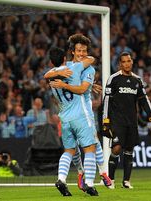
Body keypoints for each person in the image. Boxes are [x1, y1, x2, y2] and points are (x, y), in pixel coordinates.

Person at [48, 33, 112, 189]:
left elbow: (83, 87)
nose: (82, 54)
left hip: (74, 113)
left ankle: (102, 172)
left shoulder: (84, 69)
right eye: (79, 51)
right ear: (72, 52)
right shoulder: (73, 66)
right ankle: (83, 175)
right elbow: (81, 88)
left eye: (84, 51)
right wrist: (72, 86)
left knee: (91, 142)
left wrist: (90, 86)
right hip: (79, 112)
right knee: (85, 146)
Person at [44, 45, 98, 196]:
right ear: (64, 59)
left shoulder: (51, 76)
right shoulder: (73, 69)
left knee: (68, 151)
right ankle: (89, 184)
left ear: (51, 62)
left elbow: (46, 74)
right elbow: (91, 60)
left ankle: (61, 179)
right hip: (80, 115)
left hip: (65, 118)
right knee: (90, 149)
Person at [102, 52, 151, 189]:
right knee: (116, 148)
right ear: (120, 64)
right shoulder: (113, 79)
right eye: (124, 61)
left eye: (129, 61)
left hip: (132, 121)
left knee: (129, 150)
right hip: (117, 121)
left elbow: (144, 100)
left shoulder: (137, 80)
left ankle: (126, 181)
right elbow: (107, 100)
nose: (127, 63)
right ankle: (111, 180)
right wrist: (106, 121)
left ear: (132, 62)